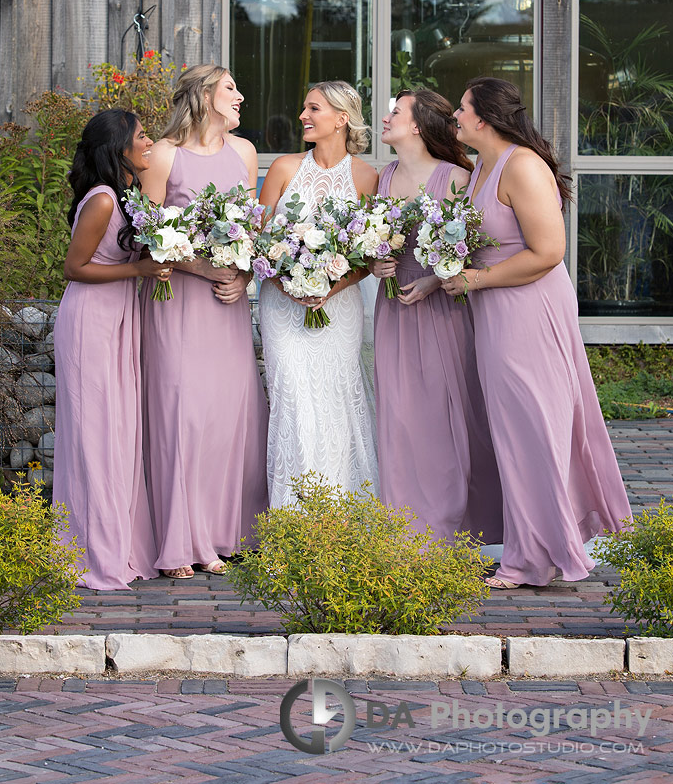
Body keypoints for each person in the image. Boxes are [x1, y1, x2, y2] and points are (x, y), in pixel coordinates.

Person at [441, 77, 632, 588]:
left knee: (533, 426)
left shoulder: (522, 165)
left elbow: (548, 252)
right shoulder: (480, 167)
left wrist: (475, 278)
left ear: (482, 117)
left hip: (529, 310)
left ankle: (537, 555)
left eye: (460, 108)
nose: (454, 116)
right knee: (512, 430)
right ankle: (532, 546)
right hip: (494, 312)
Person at [139, 64, 269, 579]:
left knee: (228, 416)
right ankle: (181, 538)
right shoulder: (165, 155)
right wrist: (201, 265)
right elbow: (149, 234)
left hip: (227, 306)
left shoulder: (245, 154)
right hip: (178, 303)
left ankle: (223, 534)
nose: (240, 96)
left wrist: (240, 276)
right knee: (184, 414)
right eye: (230, 88)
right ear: (203, 96)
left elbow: (250, 230)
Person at [371, 89, 503, 544]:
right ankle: (406, 526)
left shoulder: (455, 179)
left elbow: (477, 251)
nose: (386, 118)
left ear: (418, 126)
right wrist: (377, 264)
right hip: (393, 309)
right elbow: (370, 243)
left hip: (442, 308)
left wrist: (433, 280)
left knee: (449, 414)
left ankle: (454, 524)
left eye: (395, 112)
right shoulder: (382, 177)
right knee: (400, 416)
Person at [53, 109, 160, 590]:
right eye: (142, 136)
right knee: (96, 436)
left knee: (118, 432)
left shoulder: (127, 194)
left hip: (118, 317)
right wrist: (139, 272)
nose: (149, 141)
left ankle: (120, 546)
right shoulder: (101, 201)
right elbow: (75, 268)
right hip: (90, 321)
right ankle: (92, 555)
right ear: (119, 148)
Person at [258, 80, 379, 507]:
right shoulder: (284, 169)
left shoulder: (367, 177)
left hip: (339, 308)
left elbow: (369, 253)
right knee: (292, 402)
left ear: (342, 119)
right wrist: (292, 286)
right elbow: (258, 243)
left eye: (314, 109)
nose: (303, 116)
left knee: (336, 405)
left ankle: (340, 519)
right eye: (304, 108)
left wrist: (331, 287)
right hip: (282, 308)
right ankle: (295, 522)